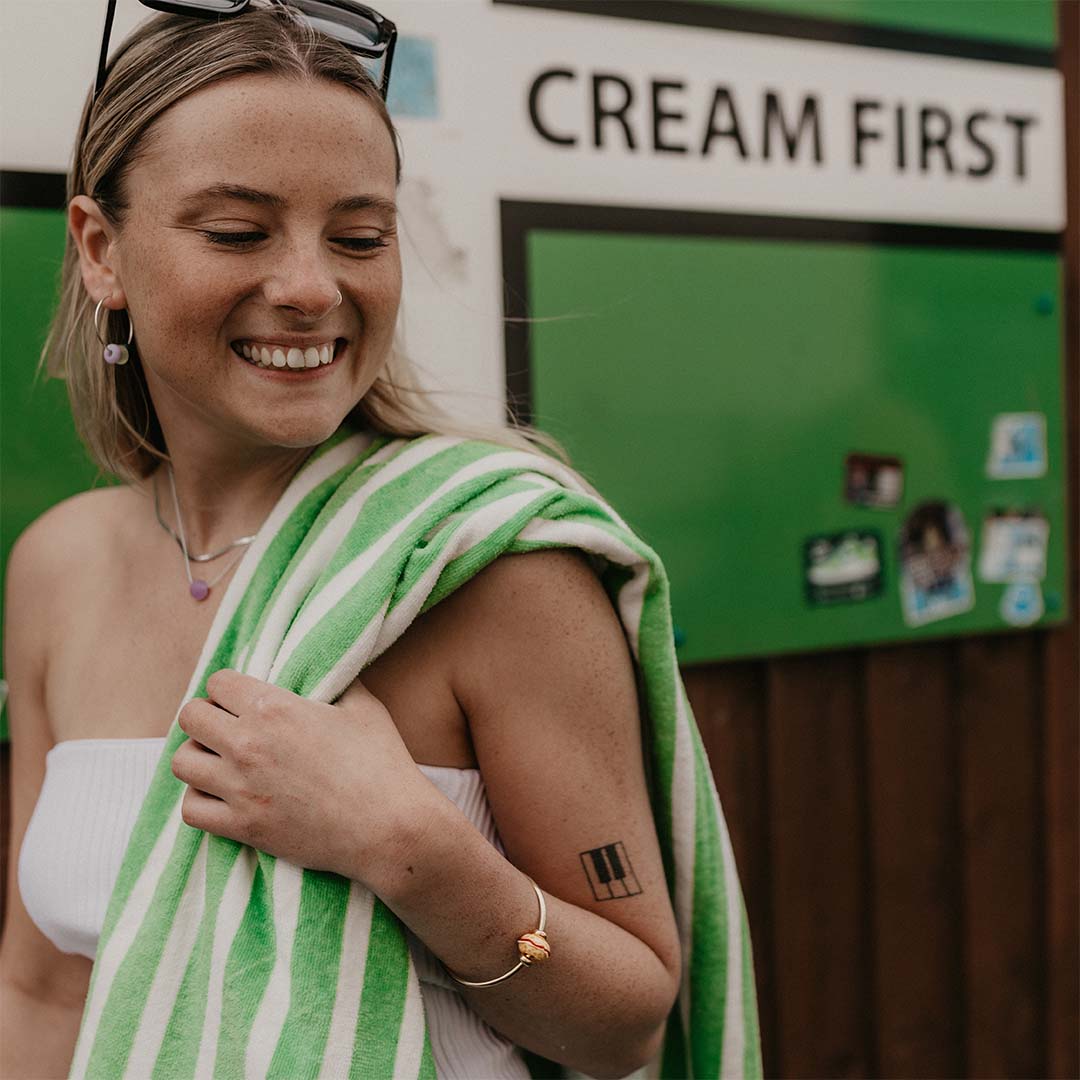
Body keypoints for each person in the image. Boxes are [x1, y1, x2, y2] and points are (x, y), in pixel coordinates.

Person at [0, 4, 761, 1078]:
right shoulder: (57, 566)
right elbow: (40, 989)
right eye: (237, 231)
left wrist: (405, 845)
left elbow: (627, 1018)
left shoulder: (488, 564)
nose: (314, 287)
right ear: (99, 249)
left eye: (360, 236)